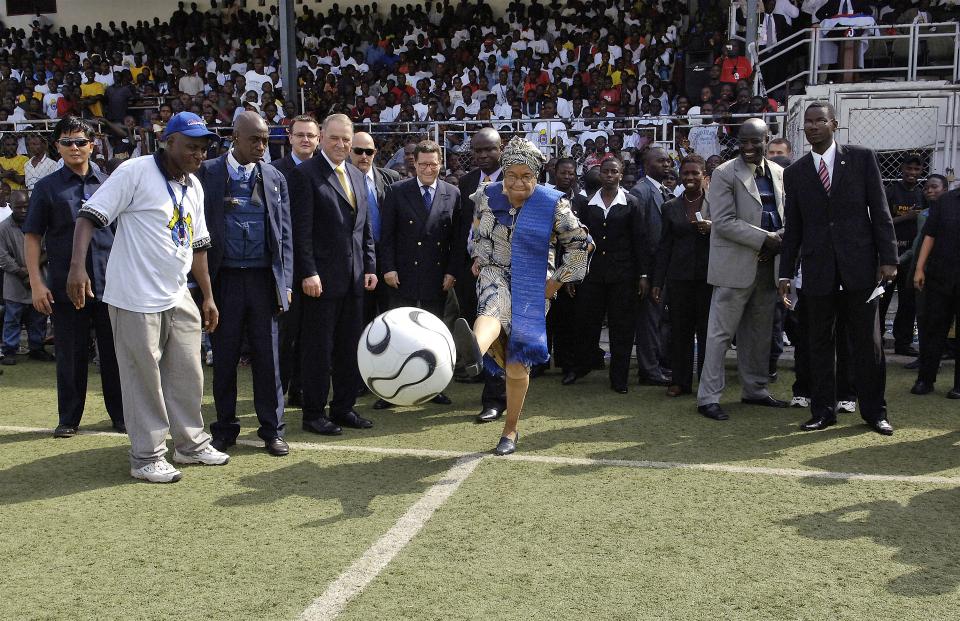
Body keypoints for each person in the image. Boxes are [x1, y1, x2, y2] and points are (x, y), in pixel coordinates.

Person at [66, 111, 229, 482]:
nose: (198, 154)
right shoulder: (134, 172)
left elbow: (198, 245)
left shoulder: (194, 185)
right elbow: (89, 216)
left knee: (189, 373)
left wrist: (207, 296)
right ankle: (146, 456)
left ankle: (190, 444)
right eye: (191, 146)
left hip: (178, 293)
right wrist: (77, 268)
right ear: (168, 142)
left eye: (204, 148)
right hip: (135, 296)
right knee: (143, 379)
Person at [454, 137, 592, 455]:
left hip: (532, 283)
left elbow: (581, 244)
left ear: (536, 176)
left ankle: (510, 430)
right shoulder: (486, 195)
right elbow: (476, 230)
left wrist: (557, 282)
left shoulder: (551, 203)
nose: (517, 183)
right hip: (495, 272)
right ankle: (473, 350)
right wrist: (477, 255)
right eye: (511, 176)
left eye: (525, 176)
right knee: (493, 303)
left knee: (517, 365)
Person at [779, 101, 898, 435]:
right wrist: (786, 273)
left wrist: (888, 258)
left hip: (861, 268)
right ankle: (823, 411)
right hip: (818, 271)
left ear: (834, 123)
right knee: (819, 343)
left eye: (820, 120)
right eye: (808, 122)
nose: (813, 126)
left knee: (868, 343)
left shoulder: (861, 158)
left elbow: (880, 209)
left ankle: (875, 413)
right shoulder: (796, 172)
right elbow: (795, 229)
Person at [195, 111, 293, 457]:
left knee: (269, 360)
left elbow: (284, 234)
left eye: (266, 140)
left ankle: (272, 430)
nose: (262, 147)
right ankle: (224, 429)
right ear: (234, 137)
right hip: (225, 282)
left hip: (264, 280)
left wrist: (286, 283)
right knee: (224, 358)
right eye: (255, 139)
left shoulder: (274, 176)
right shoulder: (207, 173)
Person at [23, 116, 125, 437]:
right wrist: (37, 284)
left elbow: (125, 232)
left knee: (115, 355)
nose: (75, 148)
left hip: (111, 285)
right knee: (70, 354)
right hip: (67, 287)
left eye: (81, 141)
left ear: (92, 144)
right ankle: (69, 418)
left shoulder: (111, 183)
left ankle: (121, 416)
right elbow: (32, 237)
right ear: (57, 147)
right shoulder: (46, 188)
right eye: (67, 142)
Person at [289, 113, 378, 436]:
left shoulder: (356, 175)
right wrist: (308, 272)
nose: (341, 144)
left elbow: (364, 228)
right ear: (322, 138)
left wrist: (370, 266)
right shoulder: (306, 175)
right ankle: (313, 413)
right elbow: (301, 231)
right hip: (320, 282)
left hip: (355, 279)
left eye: (346, 139)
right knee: (318, 349)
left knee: (348, 348)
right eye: (334, 138)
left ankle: (343, 407)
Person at [697, 118, 788, 421]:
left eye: (755, 141)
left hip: (768, 268)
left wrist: (783, 236)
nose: (748, 147)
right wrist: (767, 239)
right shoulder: (724, 173)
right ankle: (708, 398)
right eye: (743, 141)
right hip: (736, 266)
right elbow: (722, 223)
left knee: (759, 334)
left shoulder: (779, 172)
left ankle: (755, 390)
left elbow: (783, 214)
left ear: (767, 140)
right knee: (719, 336)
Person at [377, 139, 460, 408]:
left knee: (433, 334)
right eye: (422, 164)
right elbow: (386, 235)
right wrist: (388, 267)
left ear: (440, 164)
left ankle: (433, 387)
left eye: (432, 164)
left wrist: (451, 271)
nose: (428, 169)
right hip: (402, 275)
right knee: (399, 335)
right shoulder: (397, 191)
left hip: (436, 276)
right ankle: (390, 389)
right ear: (415, 164)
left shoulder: (452, 193)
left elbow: (457, 240)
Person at [564, 155, 645, 393]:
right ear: (600, 175)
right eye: (605, 172)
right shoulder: (586, 204)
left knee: (622, 327)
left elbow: (639, 241)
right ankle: (579, 367)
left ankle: (619, 378)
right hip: (592, 275)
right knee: (585, 324)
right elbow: (578, 242)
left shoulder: (632, 202)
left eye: (614, 172)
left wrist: (643, 275)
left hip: (623, 275)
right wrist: (572, 273)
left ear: (621, 175)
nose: (609, 176)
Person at [454, 127, 508, 423]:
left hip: (501, 270)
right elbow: (463, 227)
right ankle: (485, 379)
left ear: (502, 149)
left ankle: (495, 399)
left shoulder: (516, 179)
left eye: (489, 149)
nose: (484, 155)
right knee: (476, 332)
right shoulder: (466, 182)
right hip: (469, 270)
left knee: (496, 332)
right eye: (478, 150)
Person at [652, 155, 712, 397]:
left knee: (709, 332)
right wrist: (658, 281)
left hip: (710, 278)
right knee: (680, 332)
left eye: (694, 173)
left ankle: (708, 382)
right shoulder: (670, 207)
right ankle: (680, 381)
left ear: (704, 176)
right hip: (679, 279)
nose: (689, 178)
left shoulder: (717, 204)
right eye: (685, 173)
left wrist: (713, 226)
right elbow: (664, 246)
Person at [272, 114, 320, 408]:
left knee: (310, 335)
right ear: (289, 138)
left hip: (316, 267)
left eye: (310, 135)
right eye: (300, 134)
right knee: (284, 334)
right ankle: (277, 389)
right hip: (284, 267)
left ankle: (300, 389)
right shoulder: (274, 171)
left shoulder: (327, 171)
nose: (305, 140)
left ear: (318, 139)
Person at [911, 179, 960, 398]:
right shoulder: (946, 201)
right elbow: (929, 236)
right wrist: (919, 268)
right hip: (940, 276)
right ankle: (925, 380)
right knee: (933, 329)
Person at [350, 131, 401, 329]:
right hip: (357, 261)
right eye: (358, 151)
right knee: (361, 318)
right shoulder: (341, 181)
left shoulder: (392, 178)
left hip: (388, 259)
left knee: (390, 318)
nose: (364, 156)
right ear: (350, 151)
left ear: (375, 153)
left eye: (368, 151)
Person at [630, 147, 672, 386]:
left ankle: (655, 365)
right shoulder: (641, 191)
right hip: (650, 269)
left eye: (668, 161)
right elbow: (640, 236)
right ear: (646, 165)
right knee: (648, 320)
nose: (666, 165)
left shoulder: (663, 190)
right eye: (661, 161)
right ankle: (649, 371)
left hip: (662, 267)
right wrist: (644, 273)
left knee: (657, 319)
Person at [880, 153, 925, 356]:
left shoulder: (922, 195)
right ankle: (876, 338)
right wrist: (906, 217)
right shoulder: (890, 192)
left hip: (910, 256)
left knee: (908, 302)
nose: (912, 173)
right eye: (909, 168)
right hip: (890, 255)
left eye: (916, 170)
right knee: (882, 299)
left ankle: (903, 342)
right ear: (901, 169)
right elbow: (882, 221)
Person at [0, 190, 52, 365]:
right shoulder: (3, 228)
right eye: (18, 207)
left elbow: (48, 249)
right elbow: (2, 256)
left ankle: (37, 348)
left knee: (38, 317)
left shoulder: (40, 224)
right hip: (15, 282)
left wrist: (31, 271)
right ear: (10, 205)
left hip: (38, 280)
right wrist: (21, 272)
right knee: (12, 318)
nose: (22, 210)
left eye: (25, 207)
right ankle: (9, 350)